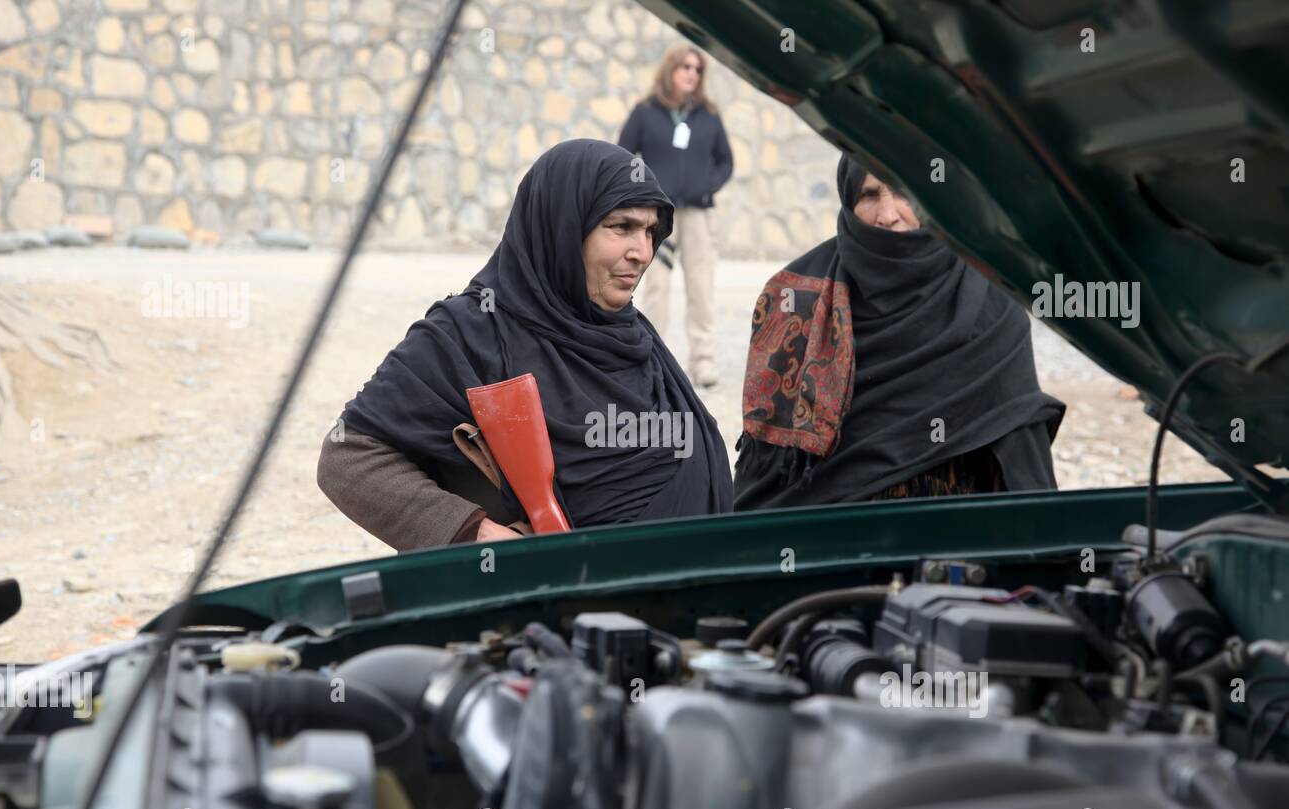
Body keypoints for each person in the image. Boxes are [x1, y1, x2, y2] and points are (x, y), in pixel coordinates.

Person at [318, 139, 733, 550]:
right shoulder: (469, 334)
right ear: (563, 228)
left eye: (650, 231)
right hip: (552, 606)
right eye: (621, 227)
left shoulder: (633, 337)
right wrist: (474, 533)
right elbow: (347, 455)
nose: (642, 252)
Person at [733, 155, 1065, 510]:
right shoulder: (797, 298)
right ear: (848, 200)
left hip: (954, 535)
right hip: (827, 538)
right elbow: (770, 472)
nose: (888, 214)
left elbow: (1018, 445)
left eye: (905, 191)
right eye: (870, 195)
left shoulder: (991, 303)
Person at [618, 43, 733, 388]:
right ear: (670, 70)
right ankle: (648, 359)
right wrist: (643, 194)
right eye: (685, 66)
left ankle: (704, 363)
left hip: (698, 215)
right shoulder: (645, 111)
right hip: (656, 216)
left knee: (701, 287)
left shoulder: (708, 115)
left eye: (697, 69)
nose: (692, 74)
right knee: (656, 287)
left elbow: (725, 161)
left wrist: (706, 186)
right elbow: (623, 155)